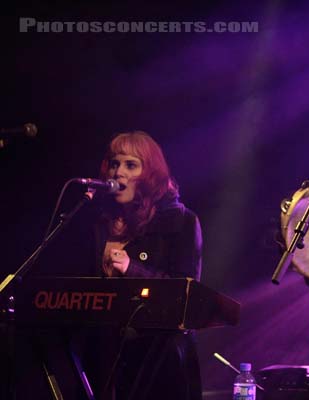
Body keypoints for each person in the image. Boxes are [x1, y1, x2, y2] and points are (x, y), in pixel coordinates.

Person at [83, 131, 203, 400]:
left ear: (150, 175)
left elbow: (185, 295)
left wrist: (131, 269)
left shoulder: (181, 222)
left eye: (130, 165)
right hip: (105, 355)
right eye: (114, 164)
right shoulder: (98, 222)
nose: (118, 173)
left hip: (158, 361)